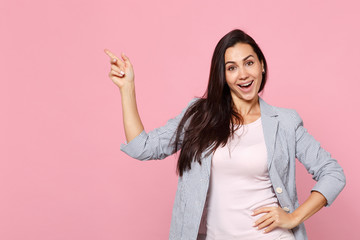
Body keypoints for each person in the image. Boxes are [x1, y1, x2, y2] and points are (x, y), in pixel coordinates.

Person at [104, 29, 346, 240]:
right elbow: (142, 147)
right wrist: (128, 89)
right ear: (223, 75)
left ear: (262, 65)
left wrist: (294, 217)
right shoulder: (199, 116)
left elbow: (333, 173)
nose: (243, 74)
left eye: (249, 63)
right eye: (232, 68)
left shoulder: (284, 122)